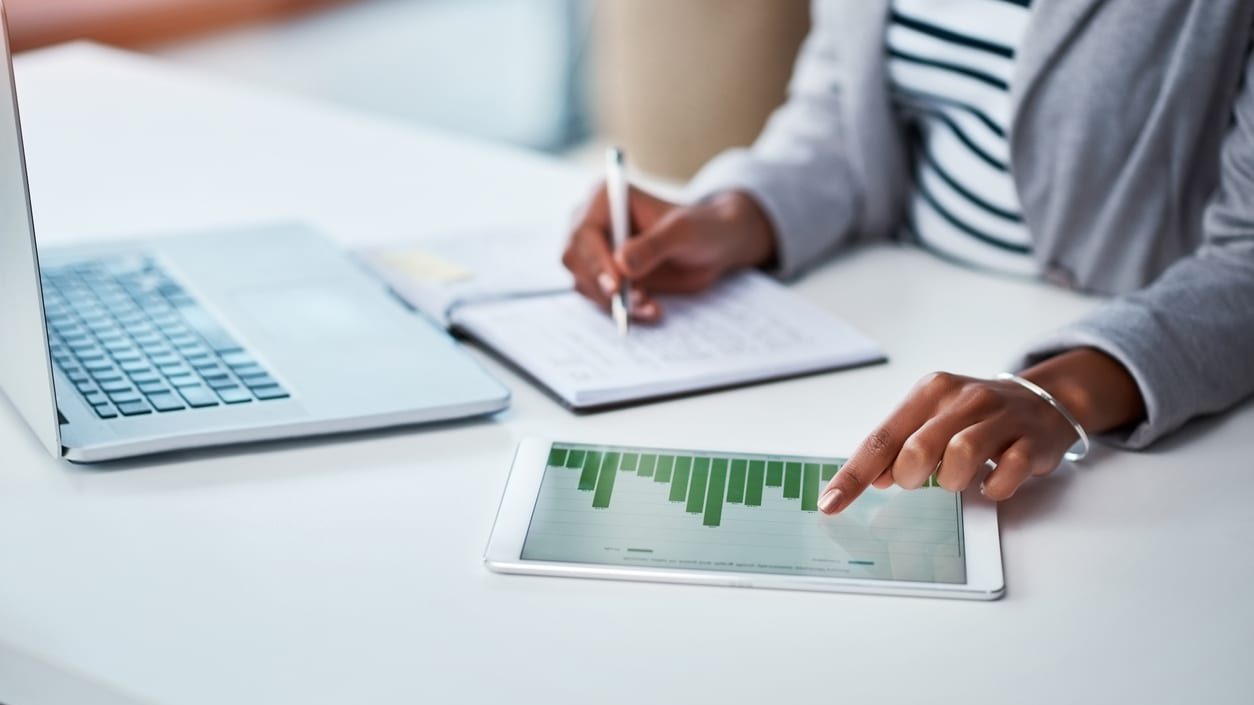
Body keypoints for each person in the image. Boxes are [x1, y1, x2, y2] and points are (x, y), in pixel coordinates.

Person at [563, 0, 1254, 514]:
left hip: (1153, 396)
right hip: (893, 312)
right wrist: (734, 214)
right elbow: (843, 114)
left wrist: (1068, 390)